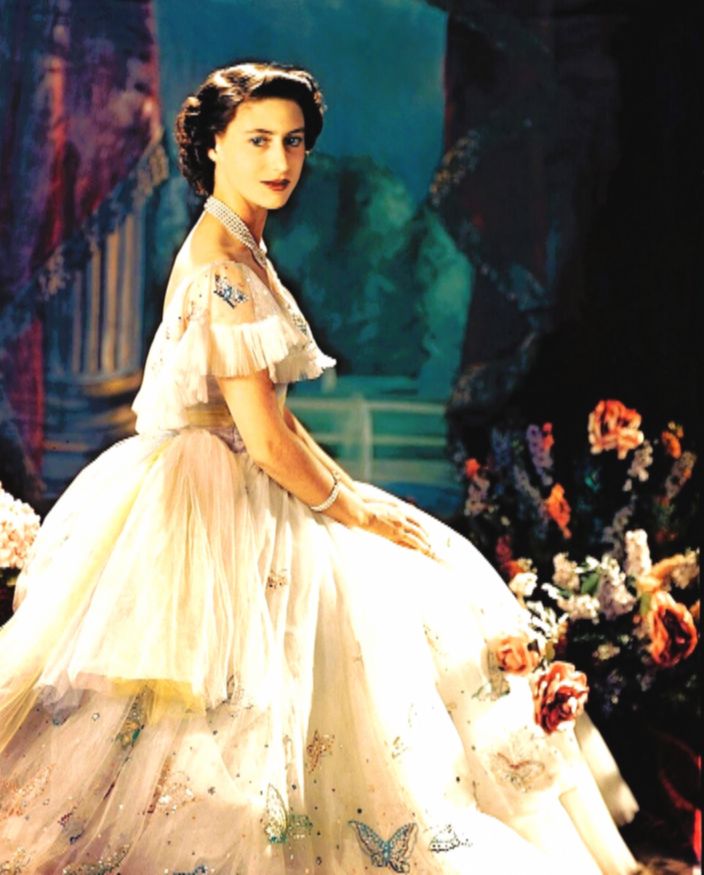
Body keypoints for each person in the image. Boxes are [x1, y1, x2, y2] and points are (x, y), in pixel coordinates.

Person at [0, 61, 642, 874]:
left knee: (395, 604)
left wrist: (351, 495)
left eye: (293, 141)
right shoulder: (223, 268)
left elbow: (272, 419)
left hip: (231, 471)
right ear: (213, 145)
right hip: (213, 498)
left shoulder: (241, 245)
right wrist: (356, 508)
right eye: (257, 140)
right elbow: (265, 441)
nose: (279, 161)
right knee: (232, 706)